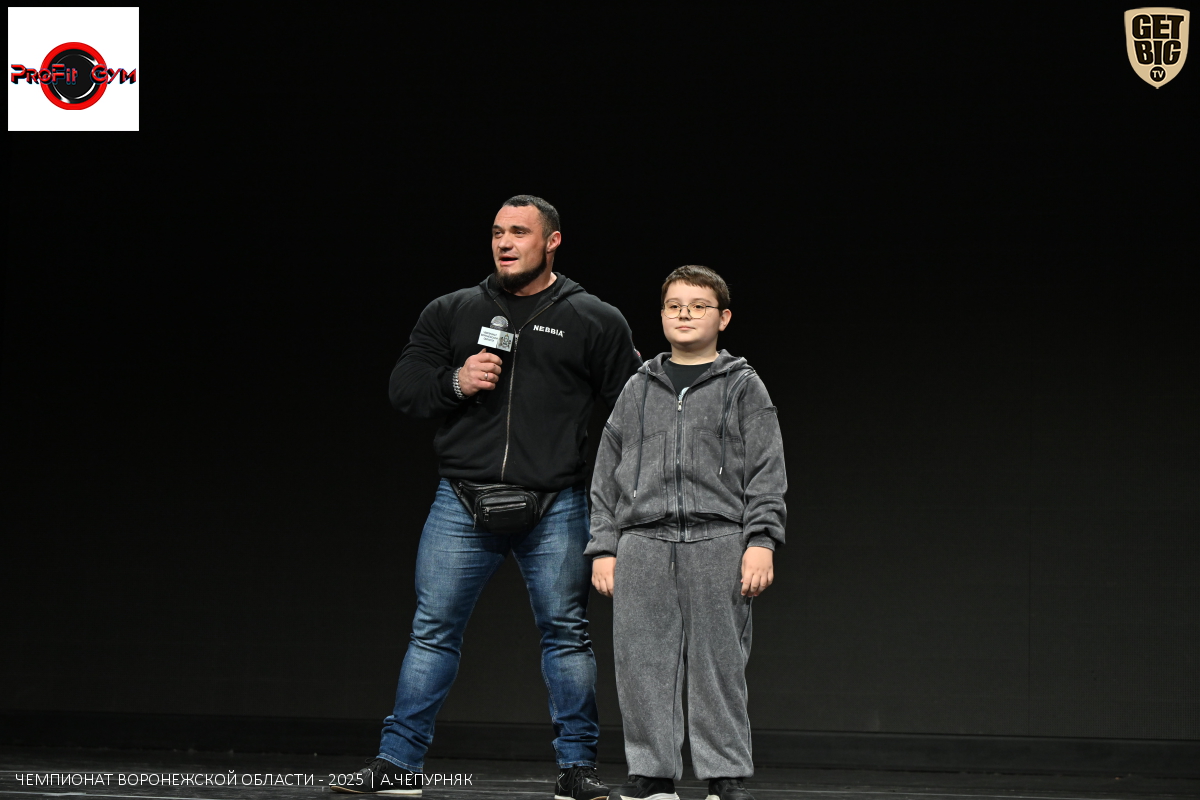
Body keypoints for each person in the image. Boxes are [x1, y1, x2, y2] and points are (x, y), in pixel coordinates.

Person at [331, 196, 641, 800]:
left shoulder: (595, 318)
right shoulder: (452, 310)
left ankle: (577, 768)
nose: (505, 242)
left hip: (555, 504)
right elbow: (404, 388)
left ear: (552, 241)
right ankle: (398, 763)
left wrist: (615, 494)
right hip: (462, 500)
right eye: (498, 232)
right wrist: (457, 380)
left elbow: (632, 412)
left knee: (567, 634)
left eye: (519, 232)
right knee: (432, 630)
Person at [587, 265, 787, 800]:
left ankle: (725, 773)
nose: (685, 314)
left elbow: (767, 470)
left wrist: (761, 540)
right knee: (642, 662)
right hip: (643, 541)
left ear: (723, 318)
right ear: (661, 315)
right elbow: (606, 474)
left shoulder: (742, 386)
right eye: (674, 305)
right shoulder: (637, 388)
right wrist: (603, 547)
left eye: (698, 306)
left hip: (718, 539)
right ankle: (652, 773)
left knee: (719, 663)